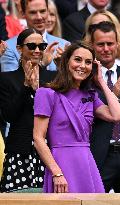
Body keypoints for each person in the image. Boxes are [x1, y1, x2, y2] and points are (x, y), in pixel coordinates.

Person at [33, 41, 120, 193]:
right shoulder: (46, 94)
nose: (82, 65)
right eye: (77, 59)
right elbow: (38, 138)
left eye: (88, 62)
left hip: (86, 164)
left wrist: (101, 81)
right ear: (66, 61)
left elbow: (118, 115)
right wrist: (56, 172)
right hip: (60, 164)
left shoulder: (91, 96)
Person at [0, 28, 57, 192]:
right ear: (19, 49)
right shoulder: (6, 78)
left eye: (41, 46)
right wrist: (26, 86)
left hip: (49, 151)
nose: (37, 50)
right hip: (20, 152)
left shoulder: (53, 78)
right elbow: (9, 116)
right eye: (32, 46)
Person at [88, 21, 120, 192]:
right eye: (100, 44)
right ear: (92, 46)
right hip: (100, 154)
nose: (106, 49)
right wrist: (112, 96)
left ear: (117, 45)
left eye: (110, 43)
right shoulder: (85, 80)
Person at [0, 0, 69, 72]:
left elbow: (70, 81)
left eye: (42, 11)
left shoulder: (63, 45)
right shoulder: (9, 47)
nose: (39, 17)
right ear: (23, 13)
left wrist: (61, 67)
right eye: (33, 12)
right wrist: (42, 64)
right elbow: (10, 81)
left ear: (48, 11)